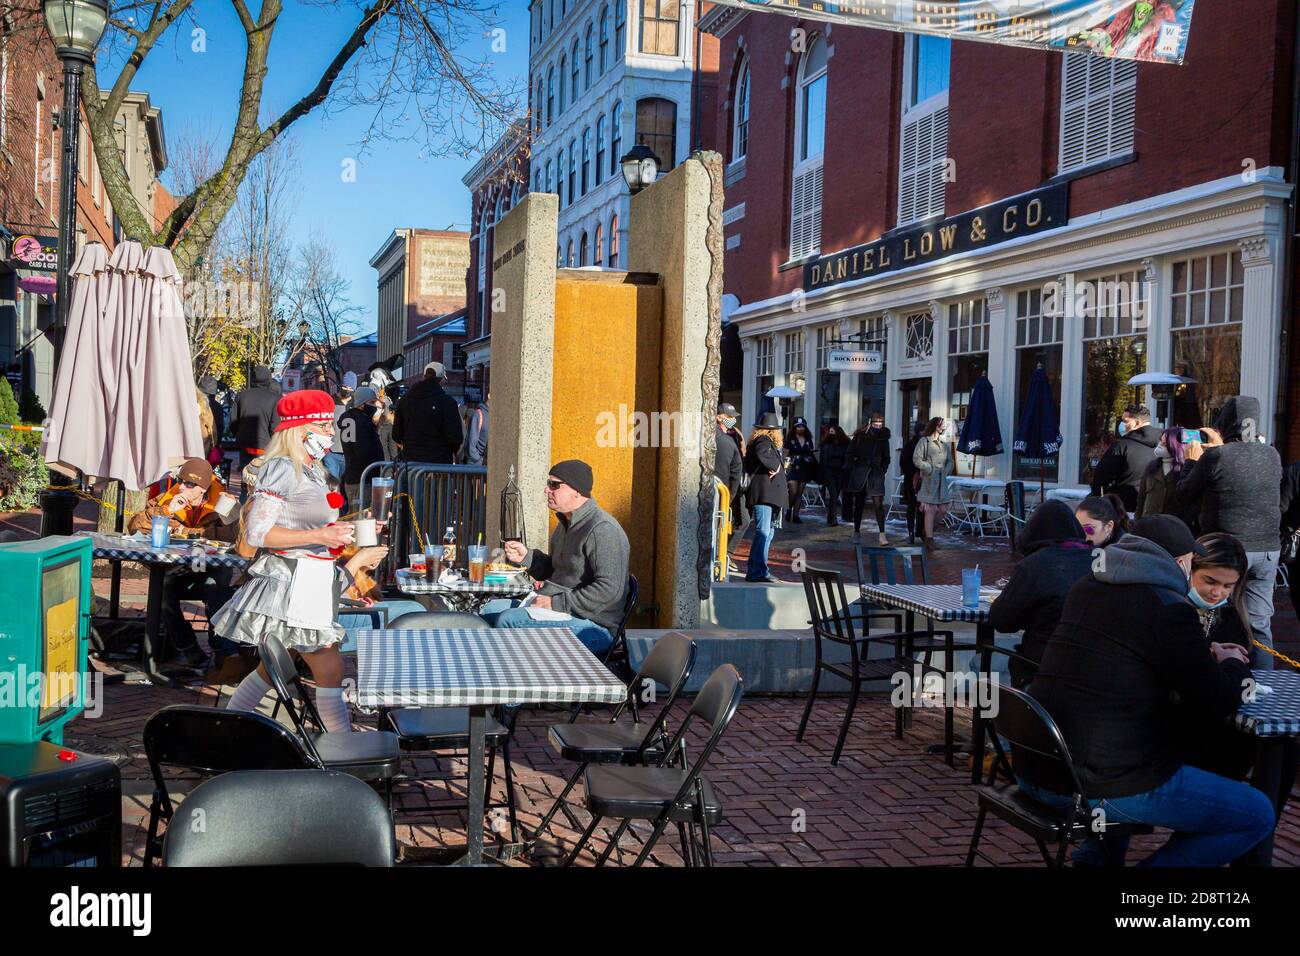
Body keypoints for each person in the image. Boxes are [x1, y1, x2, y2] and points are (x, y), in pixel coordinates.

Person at [1021, 515, 1274, 867]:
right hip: (1095, 781)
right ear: (1177, 562)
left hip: (1038, 764)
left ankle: (1093, 862)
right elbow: (1217, 699)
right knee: (1258, 813)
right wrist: (1230, 661)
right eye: (1188, 562)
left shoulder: (1088, 589)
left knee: (1134, 751)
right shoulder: (1167, 609)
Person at [216, 389, 388, 732]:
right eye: (323, 426)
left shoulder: (312, 470)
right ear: (300, 428)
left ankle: (224, 732)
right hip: (292, 582)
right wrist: (323, 536)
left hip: (310, 580)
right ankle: (343, 747)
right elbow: (258, 534)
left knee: (272, 668)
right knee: (329, 667)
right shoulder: (280, 467)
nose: (330, 434)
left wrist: (349, 528)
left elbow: (308, 522)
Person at [1177, 396, 1283, 670]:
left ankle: (1218, 674)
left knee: (1216, 615)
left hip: (1228, 549)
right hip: (1268, 549)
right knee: (1259, 622)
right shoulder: (1272, 454)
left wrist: (1191, 462)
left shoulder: (1217, 456)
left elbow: (1184, 493)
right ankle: (1263, 684)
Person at [486, 460, 630, 655]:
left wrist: (555, 604)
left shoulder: (603, 530)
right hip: (561, 610)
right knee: (487, 610)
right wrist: (528, 557)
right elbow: (560, 570)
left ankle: (518, 681)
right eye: (548, 484)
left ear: (577, 491)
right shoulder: (565, 524)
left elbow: (610, 590)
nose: (547, 490)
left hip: (596, 627)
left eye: (554, 485)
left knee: (508, 620)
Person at [128, 457, 242, 673]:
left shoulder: (223, 503)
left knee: (215, 590)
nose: (182, 486)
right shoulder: (168, 499)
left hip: (210, 567)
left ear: (203, 488)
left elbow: (230, 539)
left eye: (190, 484)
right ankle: (189, 650)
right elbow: (134, 526)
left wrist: (186, 532)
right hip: (178, 569)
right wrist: (167, 512)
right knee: (161, 590)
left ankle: (221, 651)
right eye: (181, 481)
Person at [987, 499, 1092, 688]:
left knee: (981, 661)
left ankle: (993, 716)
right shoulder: (1099, 562)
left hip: (1039, 668)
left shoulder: (1034, 566)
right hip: (1090, 671)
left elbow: (1001, 621)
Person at [1089, 404, 1159, 511]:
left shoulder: (1122, 446)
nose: (1122, 424)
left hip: (1123, 507)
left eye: (1125, 421)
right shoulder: (1164, 444)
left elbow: (1100, 477)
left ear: (1137, 423)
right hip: (1152, 504)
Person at [392, 361, 463, 464]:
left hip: (411, 462)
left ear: (423, 376)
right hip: (439, 462)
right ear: (441, 380)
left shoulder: (404, 401)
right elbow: (455, 438)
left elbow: (396, 434)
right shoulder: (448, 402)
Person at [744, 413, 787, 583]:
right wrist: (776, 465)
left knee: (768, 532)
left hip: (768, 494)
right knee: (763, 531)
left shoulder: (761, 440)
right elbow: (764, 456)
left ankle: (760, 569)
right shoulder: (763, 440)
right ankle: (757, 571)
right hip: (764, 494)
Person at [845, 412, 891, 545]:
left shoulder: (883, 439)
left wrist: (882, 471)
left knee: (878, 505)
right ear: (870, 423)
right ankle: (856, 531)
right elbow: (850, 452)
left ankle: (882, 534)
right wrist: (853, 466)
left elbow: (887, 458)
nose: (878, 427)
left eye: (880, 425)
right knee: (859, 504)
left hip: (876, 475)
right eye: (875, 424)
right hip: (860, 473)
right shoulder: (860, 436)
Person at [339, 386, 385, 510]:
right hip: (362, 478)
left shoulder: (349, 419)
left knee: (355, 514)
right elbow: (362, 452)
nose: (375, 406)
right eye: (372, 402)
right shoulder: (361, 421)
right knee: (361, 517)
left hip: (353, 475)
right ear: (361, 404)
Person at [912, 417, 954, 550]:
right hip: (929, 481)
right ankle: (929, 539)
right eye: (942, 424)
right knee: (930, 509)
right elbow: (916, 459)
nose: (944, 427)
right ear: (935, 425)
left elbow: (950, 461)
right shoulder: (924, 441)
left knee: (943, 509)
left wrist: (946, 471)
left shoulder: (944, 444)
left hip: (942, 482)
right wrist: (928, 468)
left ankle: (927, 531)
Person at [716, 404, 749, 572]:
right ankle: (723, 554)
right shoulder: (721, 438)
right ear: (720, 417)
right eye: (729, 417)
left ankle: (725, 553)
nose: (733, 420)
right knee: (733, 521)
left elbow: (742, 455)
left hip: (733, 488)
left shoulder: (735, 434)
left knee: (742, 521)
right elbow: (731, 468)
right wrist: (731, 494)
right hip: (727, 489)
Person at [1136, 427, 1191, 522]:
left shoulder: (1186, 469)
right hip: (1148, 524)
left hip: (1173, 526)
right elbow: (1141, 500)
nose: (1160, 445)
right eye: (1160, 441)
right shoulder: (1152, 467)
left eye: (1165, 444)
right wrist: (1137, 523)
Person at [784, 418, 817, 524]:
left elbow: (810, 453)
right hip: (793, 467)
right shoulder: (790, 440)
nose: (800, 428)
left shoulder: (808, 440)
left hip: (804, 467)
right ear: (794, 427)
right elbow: (785, 454)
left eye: (802, 426)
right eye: (798, 426)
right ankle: (788, 509)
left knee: (799, 493)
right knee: (793, 491)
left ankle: (796, 515)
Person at [818, 425, 849, 528]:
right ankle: (833, 519)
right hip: (829, 472)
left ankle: (830, 517)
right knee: (833, 494)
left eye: (833, 432)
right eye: (830, 432)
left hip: (840, 473)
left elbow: (847, 459)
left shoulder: (845, 445)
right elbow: (823, 461)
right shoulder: (826, 445)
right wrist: (822, 474)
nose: (831, 434)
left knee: (835, 495)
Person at [900, 422, 925, 544]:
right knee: (912, 507)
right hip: (911, 480)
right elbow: (903, 462)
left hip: (923, 480)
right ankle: (912, 532)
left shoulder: (926, 444)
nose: (923, 433)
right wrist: (913, 474)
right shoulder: (910, 445)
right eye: (922, 431)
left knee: (921, 507)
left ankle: (919, 531)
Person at [465, 395, 489, 465]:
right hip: (477, 466)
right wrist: (480, 461)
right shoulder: (478, 414)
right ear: (489, 395)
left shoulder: (496, 416)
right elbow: (471, 445)